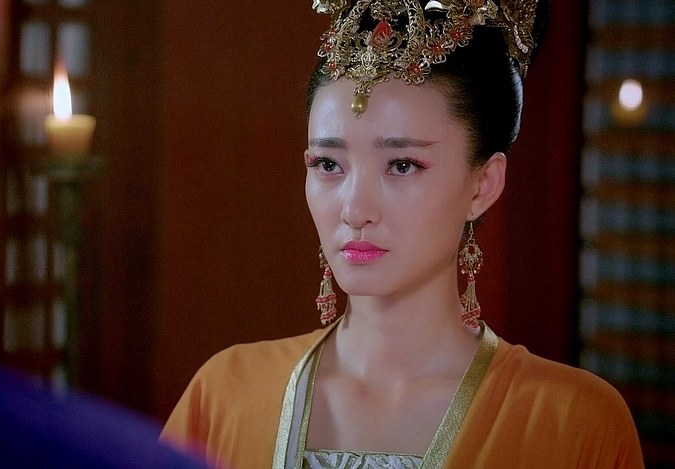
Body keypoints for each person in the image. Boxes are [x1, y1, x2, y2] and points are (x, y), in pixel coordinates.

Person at [159, 0, 645, 468]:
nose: (355, 210)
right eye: (328, 164)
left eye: (402, 165)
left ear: (483, 185)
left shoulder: (571, 422)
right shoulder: (224, 396)